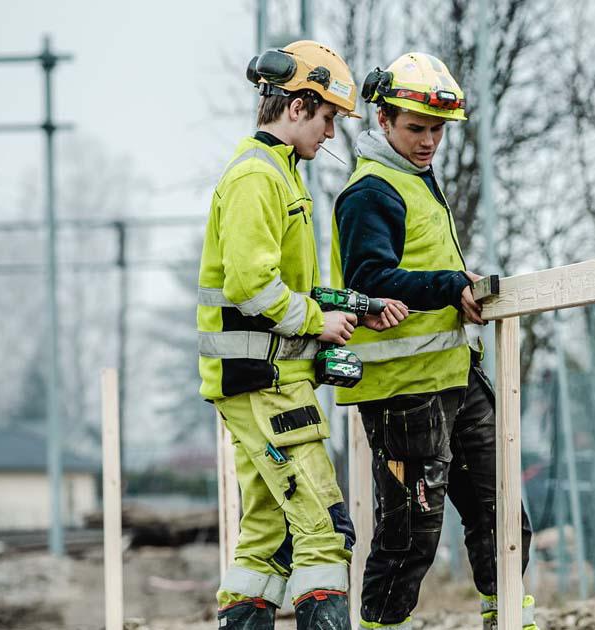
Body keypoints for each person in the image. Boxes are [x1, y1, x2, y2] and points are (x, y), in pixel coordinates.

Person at [197, 40, 407, 630]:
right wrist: (320, 322)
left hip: (267, 380)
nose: (332, 134)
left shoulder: (278, 175)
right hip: (266, 384)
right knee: (324, 530)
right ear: (297, 107)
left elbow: (286, 288)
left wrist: (353, 307)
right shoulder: (256, 179)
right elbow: (251, 286)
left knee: (266, 536)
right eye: (328, 118)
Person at [330, 52, 537, 630]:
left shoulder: (416, 183)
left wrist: (459, 293)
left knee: (501, 514)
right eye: (416, 129)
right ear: (383, 120)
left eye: (437, 131)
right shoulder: (371, 191)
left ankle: (511, 619)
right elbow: (367, 280)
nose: (428, 142)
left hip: (456, 379)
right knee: (408, 539)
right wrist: (451, 286)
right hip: (404, 393)